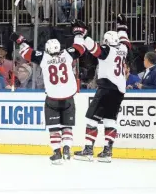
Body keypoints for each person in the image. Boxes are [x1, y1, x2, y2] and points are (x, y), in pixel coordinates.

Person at [10, 20, 87, 164]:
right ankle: (67, 149)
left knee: (54, 127)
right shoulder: (67, 55)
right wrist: (78, 32)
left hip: (52, 98)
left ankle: (57, 152)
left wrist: (20, 40)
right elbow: (80, 48)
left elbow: (27, 52)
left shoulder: (43, 58)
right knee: (67, 126)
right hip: (69, 97)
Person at [73, 14, 132, 163]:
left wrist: (81, 33)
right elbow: (125, 39)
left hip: (106, 88)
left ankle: (88, 150)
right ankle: (107, 151)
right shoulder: (123, 49)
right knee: (110, 120)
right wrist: (122, 26)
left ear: (106, 41)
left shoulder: (107, 51)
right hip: (119, 91)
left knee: (91, 118)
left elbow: (94, 48)